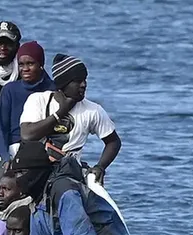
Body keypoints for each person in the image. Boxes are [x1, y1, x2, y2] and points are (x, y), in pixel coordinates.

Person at [9, 142, 131, 235]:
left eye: (22, 173)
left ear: (38, 171)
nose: (18, 179)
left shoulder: (64, 191)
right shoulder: (38, 202)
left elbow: (81, 231)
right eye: (16, 174)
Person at [19, 54, 121, 184]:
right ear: (63, 84)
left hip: (68, 174)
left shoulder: (93, 110)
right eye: (78, 81)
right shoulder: (39, 100)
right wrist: (61, 112)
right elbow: (27, 135)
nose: (84, 85)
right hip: (35, 169)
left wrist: (100, 166)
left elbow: (113, 142)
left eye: (85, 80)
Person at [0, 41, 56, 162]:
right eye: (21, 64)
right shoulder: (10, 90)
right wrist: (5, 158)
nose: (25, 69)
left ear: (40, 64)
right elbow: (1, 129)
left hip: (44, 149)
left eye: (30, 64)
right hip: (14, 149)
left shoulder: (52, 90)